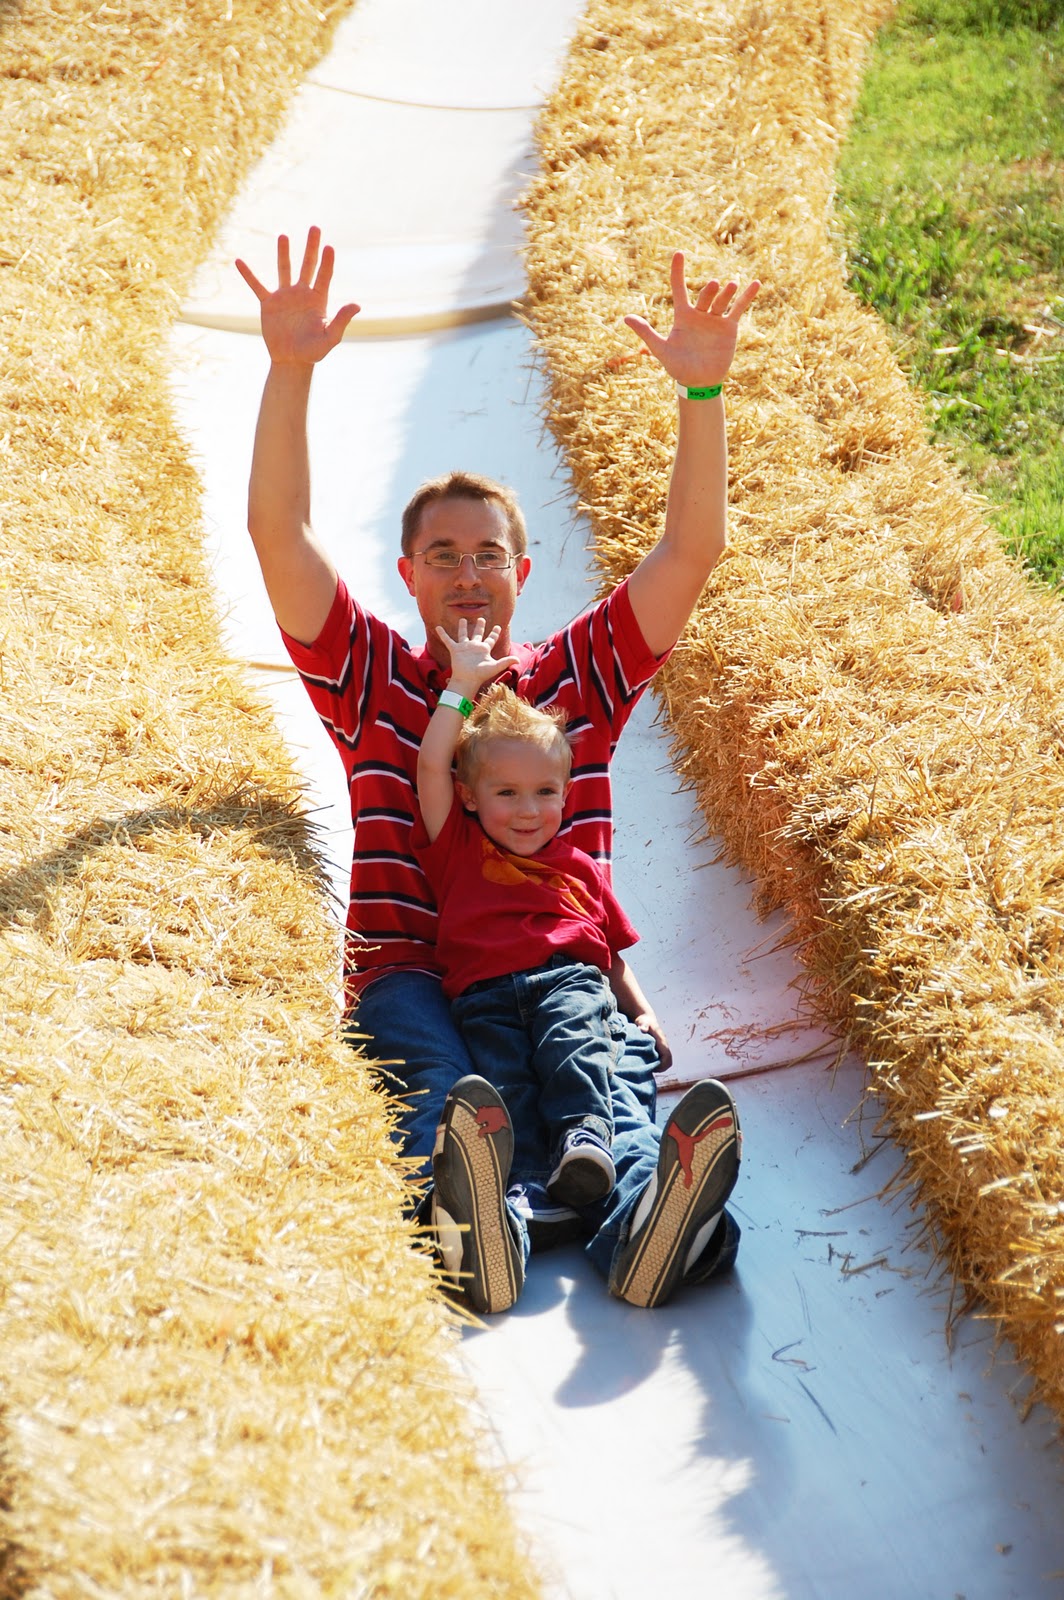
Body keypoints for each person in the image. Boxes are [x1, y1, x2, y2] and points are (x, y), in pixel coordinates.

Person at [235, 226, 759, 1313]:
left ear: (521, 571)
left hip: (552, 966)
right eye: (443, 556)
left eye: (486, 555)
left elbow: (689, 553)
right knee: (442, 1086)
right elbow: (279, 537)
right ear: (408, 575)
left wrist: (701, 395)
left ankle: (645, 1228)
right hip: (413, 971)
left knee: (608, 1094)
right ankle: (482, 1230)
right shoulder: (374, 678)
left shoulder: (573, 677)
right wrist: (289, 370)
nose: (466, 575)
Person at [415, 619, 666, 1208]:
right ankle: (533, 1193)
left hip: (566, 980)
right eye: (506, 793)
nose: (528, 810)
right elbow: (430, 766)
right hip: (483, 998)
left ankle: (585, 1139)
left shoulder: (579, 868)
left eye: (545, 792)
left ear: (566, 792)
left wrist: (643, 1011)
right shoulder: (457, 847)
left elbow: (608, 955)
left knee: (574, 1045)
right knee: (507, 1088)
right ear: (469, 796)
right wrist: (460, 687)